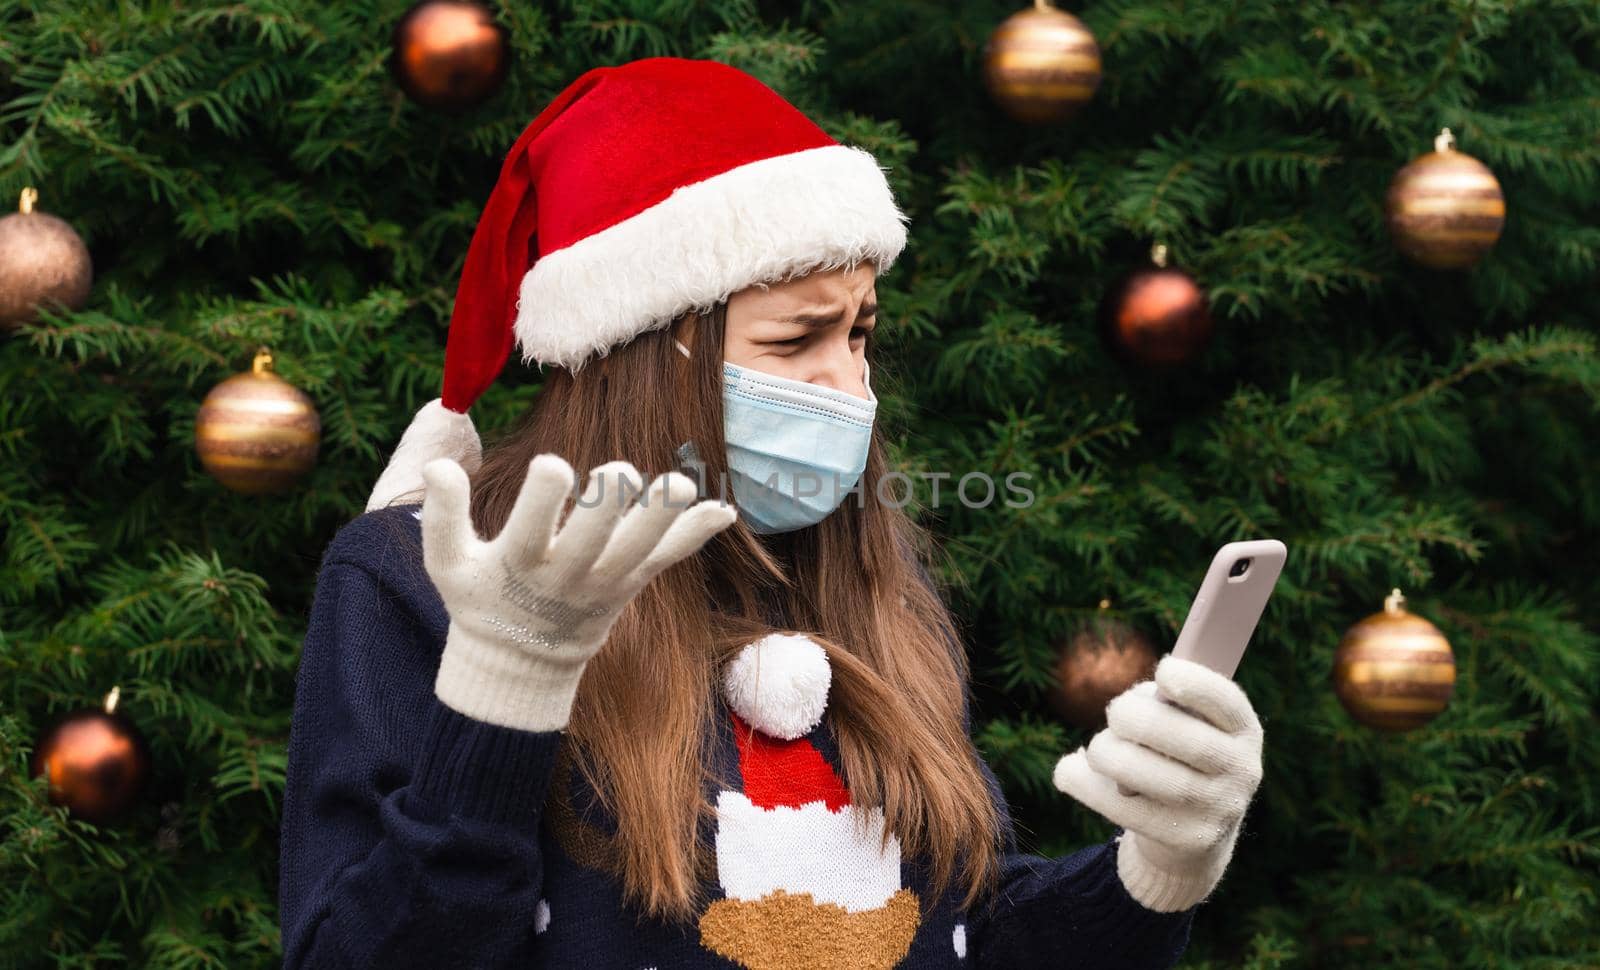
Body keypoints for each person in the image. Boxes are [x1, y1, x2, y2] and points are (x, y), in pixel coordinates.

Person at [278, 57, 1265, 969]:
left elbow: (962, 931)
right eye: (798, 340)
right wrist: (505, 690)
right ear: (639, 352)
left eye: (861, 333)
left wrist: (1158, 870)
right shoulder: (422, 579)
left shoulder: (868, 581)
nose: (848, 383)